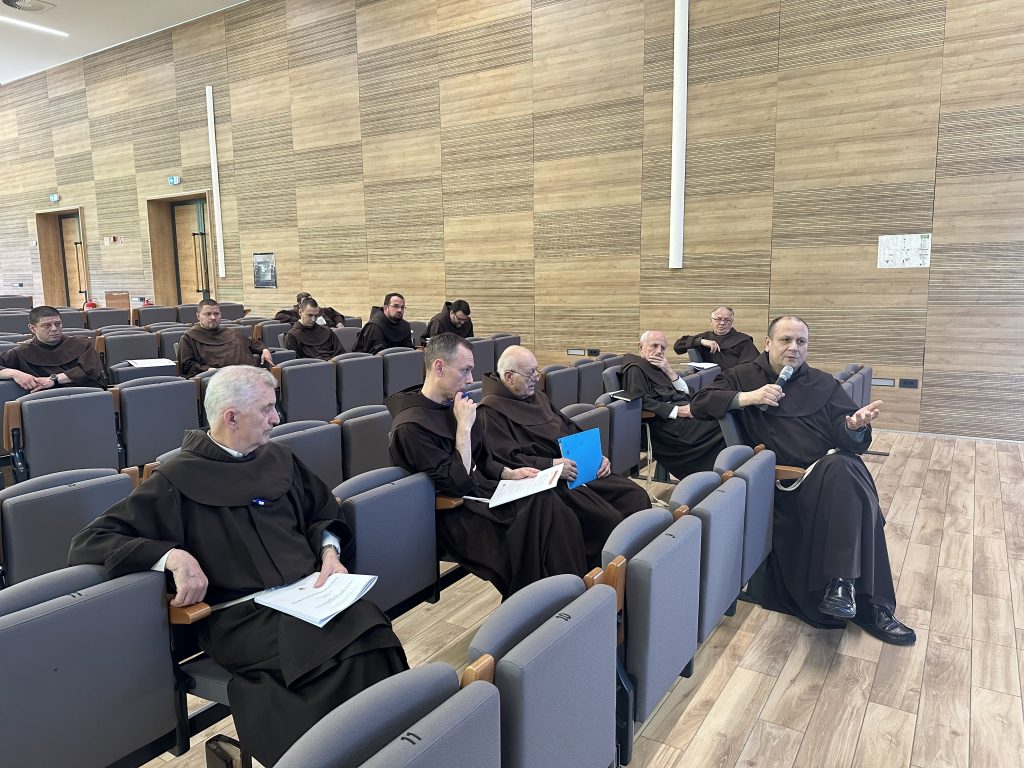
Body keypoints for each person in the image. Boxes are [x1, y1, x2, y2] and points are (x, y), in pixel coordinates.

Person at [68, 366, 408, 766]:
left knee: (371, 630)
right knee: (341, 653)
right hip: (243, 619)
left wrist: (329, 552)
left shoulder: (279, 459)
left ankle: (390, 751)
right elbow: (89, 541)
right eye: (267, 409)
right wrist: (172, 556)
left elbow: (321, 511)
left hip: (308, 595)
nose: (276, 418)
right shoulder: (176, 479)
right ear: (231, 417)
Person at [689, 315, 915, 645]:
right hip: (785, 488)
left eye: (801, 341)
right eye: (786, 340)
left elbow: (848, 437)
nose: (794, 347)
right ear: (768, 343)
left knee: (845, 469)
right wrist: (749, 397)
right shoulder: (742, 376)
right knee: (850, 481)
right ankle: (870, 604)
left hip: (829, 478)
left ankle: (844, 587)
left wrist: (853, 426)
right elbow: (699, 404)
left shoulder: (822, 383)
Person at [387, 333, 587, 598]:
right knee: (540, 516)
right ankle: (536, 603)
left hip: (483, 491)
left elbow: (483, 458)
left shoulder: (454, 404)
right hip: (455, 512)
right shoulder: (411, 426)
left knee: (554, 508)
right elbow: (456, 484)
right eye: (465, 370)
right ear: (439, 367)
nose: (471, 379)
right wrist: (463, 428)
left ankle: (564, 598)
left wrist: (508, 473)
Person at [478, 345, 650, 563]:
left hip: (576, 469)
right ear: (509, 377)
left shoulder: (538, 397)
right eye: (530, 373)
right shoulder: (490, 411)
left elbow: (570, 429)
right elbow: (506, 460)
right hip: (549, 481)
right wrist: (551, 464)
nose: (537, 378)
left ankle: (643, 567)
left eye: (537, 370)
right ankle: (608, 578)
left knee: (636, 496)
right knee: (608, 520)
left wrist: (597, 457)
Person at [619, 331, 726, 479]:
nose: (659, 351)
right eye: (654, 346)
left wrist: (668, 370)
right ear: (641, 347)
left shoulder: (658, 367)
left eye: (663, 348)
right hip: (663, 423)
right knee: (720, 425)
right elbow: (640, 401)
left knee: (723, 417)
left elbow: (686, 392)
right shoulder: (635, 368)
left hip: (680, 412)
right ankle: (711, 476)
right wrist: (678, 410)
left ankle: (720, 471)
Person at [0, 305, 105, 390]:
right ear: (32, 328)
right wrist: (14, 373)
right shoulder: (21, 352)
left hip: (85, 397)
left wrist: (53, 380)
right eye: (46, 325)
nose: (54, 329)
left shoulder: (82, 344)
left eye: (58, 324)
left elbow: (91, 371)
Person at [177, 299, 273, 378]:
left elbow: (253, 344)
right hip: (214, 379)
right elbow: (187, 365)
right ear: (198, 316)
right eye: (208, 314)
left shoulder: (232, 333)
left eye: (216, 314)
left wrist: (264, 350)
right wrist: (209, 370)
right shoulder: (189, 337)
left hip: (245, 377)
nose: (213, 317)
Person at [673, 306, 759, 371]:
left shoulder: (743, 340)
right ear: (711, 321)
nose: (722, 323)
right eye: (718, 319)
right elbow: (677, 347)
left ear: (731, 322)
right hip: (708, 380)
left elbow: (750, 366)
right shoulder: (705, 337)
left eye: (727, 320)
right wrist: (701, 341)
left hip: (734, 381)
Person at [275, 292, 346, 327]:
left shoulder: (322, 310)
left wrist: (339, 323)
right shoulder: (295, 312)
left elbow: (336, 314)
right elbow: (279, 315)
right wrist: (301, 321)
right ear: (299, 304)